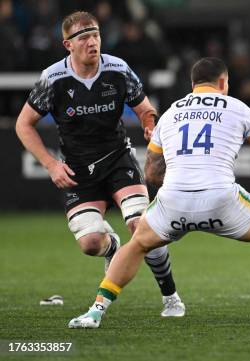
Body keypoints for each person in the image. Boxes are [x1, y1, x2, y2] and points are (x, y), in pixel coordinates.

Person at [67, 57, 250, 328]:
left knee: (137, 245)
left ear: (192, 85)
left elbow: (152, 173)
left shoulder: (169, 114)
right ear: (223, 82)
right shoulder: (236, 107)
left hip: (174, 199)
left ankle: (95, 312)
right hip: (221, 199)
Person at [14, 11, 185, 317]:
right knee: (91, 243)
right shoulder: (53, 79)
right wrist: (51, 164)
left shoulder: (118, 69)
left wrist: (149, 123)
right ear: (68, 44)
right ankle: (111, 247)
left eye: (96, 35)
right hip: (79, 170)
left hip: (118, 159)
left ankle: (171, 296)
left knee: (141, 226)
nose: (92, 42)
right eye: (84, 38)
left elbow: (146, 108)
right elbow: (23, 125)